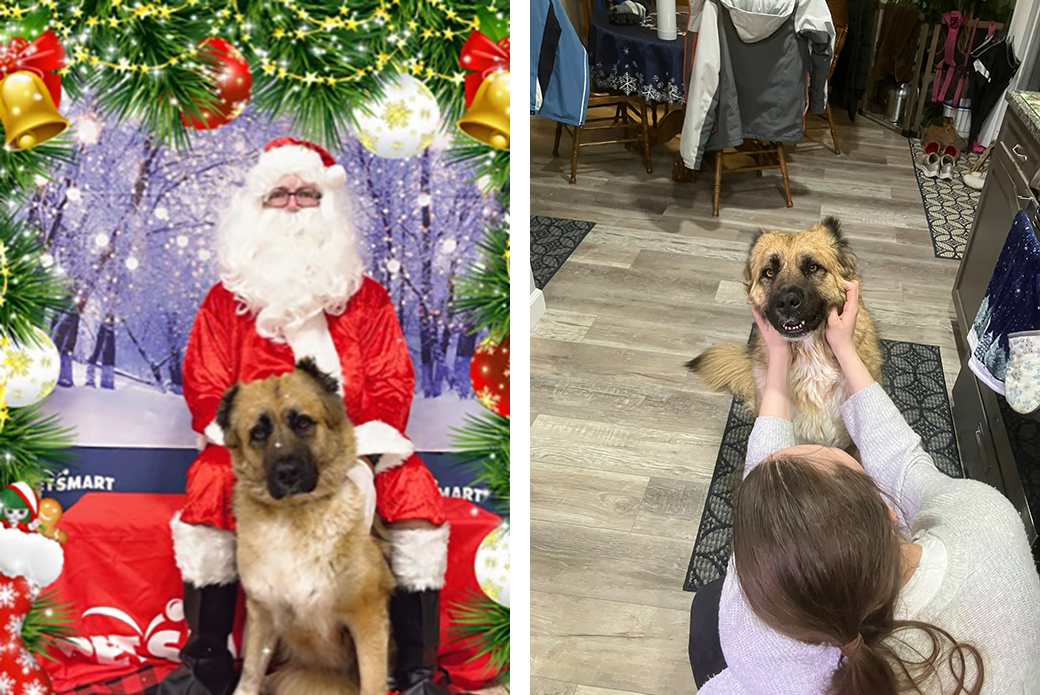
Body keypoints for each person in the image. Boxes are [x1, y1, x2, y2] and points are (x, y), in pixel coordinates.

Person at [158, 138, 450, 695]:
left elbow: (391, 380)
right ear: (257, 207)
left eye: (306, 194)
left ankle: (414, 675)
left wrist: (360, 456)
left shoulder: (364, 299)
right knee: (209, 486)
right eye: (280, 195)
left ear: (329, 206)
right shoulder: (227, 301)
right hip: (253, 455)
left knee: (413, 492)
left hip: (353, 447)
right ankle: (206, 665)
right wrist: (246, 449)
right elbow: (204, 385)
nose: (293, 207)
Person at [688, 280, 1040, 695]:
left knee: (704, 610)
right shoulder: (989, 523)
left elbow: (763, 521)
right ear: (892, 512)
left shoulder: (749, 632)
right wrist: (841, 349)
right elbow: (903, 460)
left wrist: (777, 365)